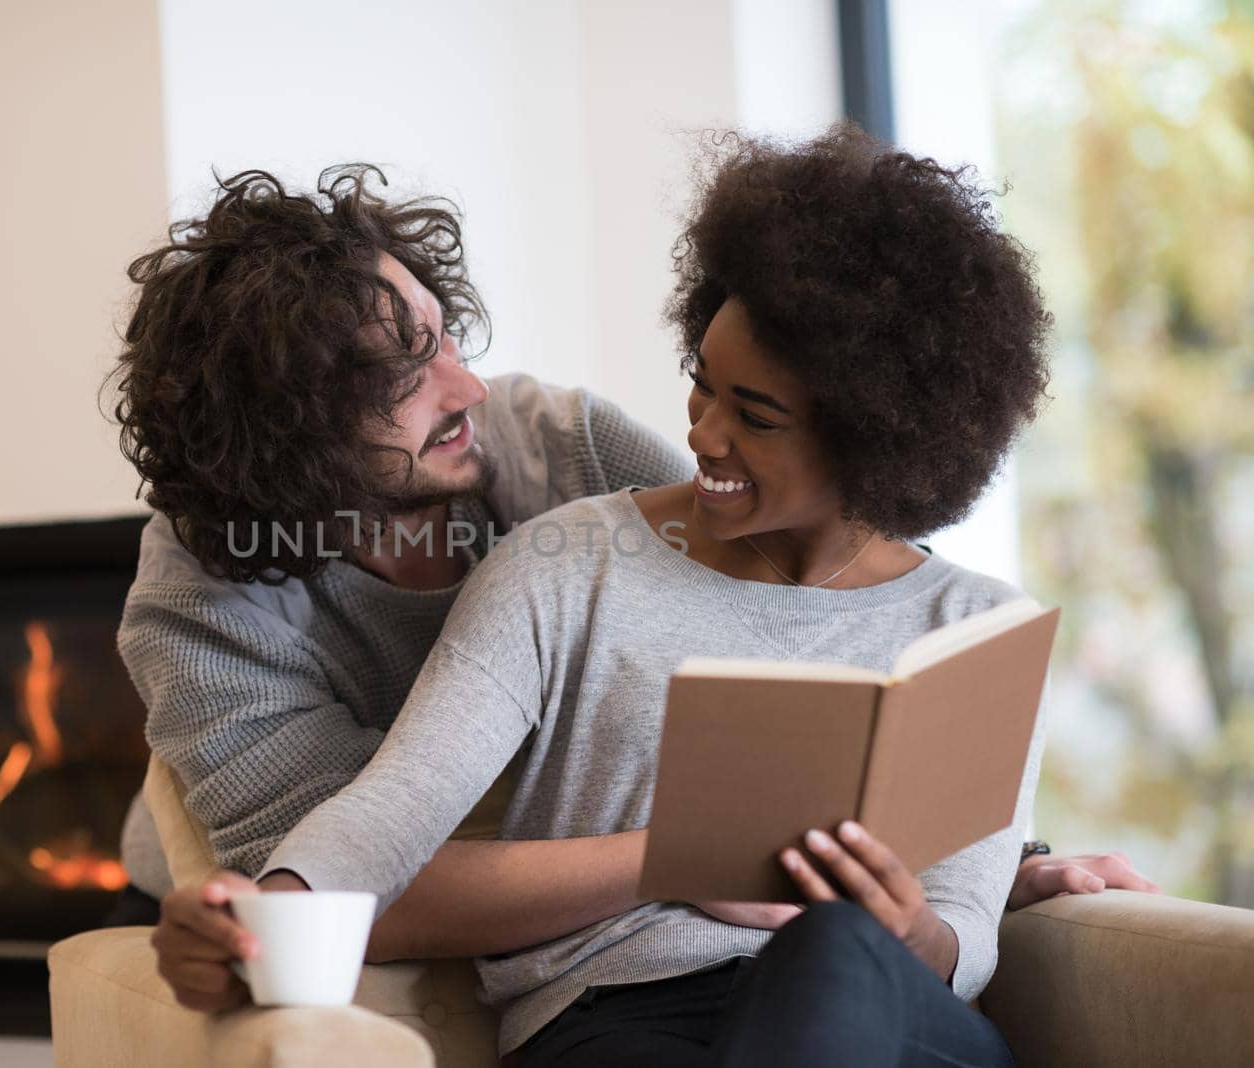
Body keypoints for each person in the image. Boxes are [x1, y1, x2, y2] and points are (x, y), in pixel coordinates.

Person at [107, 157, 1160, 1023]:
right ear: (291, 448)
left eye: (442, 337)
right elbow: (357, 873)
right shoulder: (207, 611)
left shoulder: (558, 449)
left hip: (758, 938)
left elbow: (763, 607)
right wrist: (672, 860)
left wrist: (963, 864)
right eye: (400, 377)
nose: (468, 386)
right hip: (307, 853)